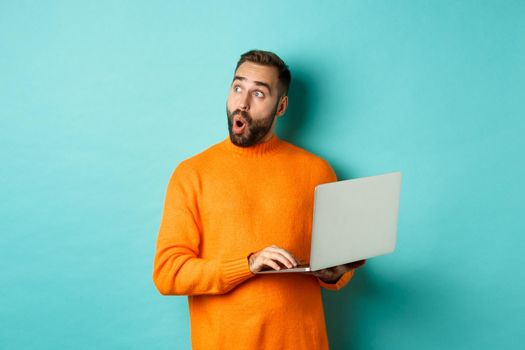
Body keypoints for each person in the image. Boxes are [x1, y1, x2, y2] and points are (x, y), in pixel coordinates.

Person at [152, 49, 366, 349]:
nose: (242, 103)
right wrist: (247, 264)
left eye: (259, 94)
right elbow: (168, 273)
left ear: (281, 106)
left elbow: (340, 274)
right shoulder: (191, 174)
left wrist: (334, 274)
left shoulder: (317, 171)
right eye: (237, 88)